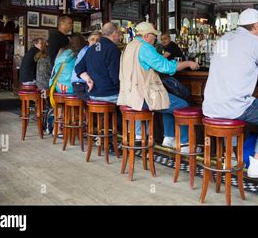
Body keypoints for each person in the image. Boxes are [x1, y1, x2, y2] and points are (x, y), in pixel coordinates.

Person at [203, 9, 258, 178]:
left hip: (211, 105)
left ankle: (230, 156)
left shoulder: (224, 38)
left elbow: (235, 63)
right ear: (255, 25)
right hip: (233, 105)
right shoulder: (255, 42)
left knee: (234, 114)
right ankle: (257, 163)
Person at [117, 22, 199, 151]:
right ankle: (185, 144)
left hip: (129, 96)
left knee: (166, 102)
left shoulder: (129, 46)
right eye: (154, 35)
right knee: (182, 105)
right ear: (146, 36)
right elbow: (166, 67)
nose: (156, 38)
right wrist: (188, 63)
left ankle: (169, 139)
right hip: (143, 97)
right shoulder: (145, 48)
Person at [74, 22, 121, 103]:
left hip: (92, 94)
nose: (119, 36)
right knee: (128, 104)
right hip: (109, 94)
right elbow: (115, 75)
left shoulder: (91, 49)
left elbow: (78, 68)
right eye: (119, 33)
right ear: (114, 33)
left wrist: (88, 79)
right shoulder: (113, 49)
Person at [70, 31, 101, 101]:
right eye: (92, 39)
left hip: (82, 83)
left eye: (98, 40)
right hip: (80, 85)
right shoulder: (87, 51)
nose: (95, 42)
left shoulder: (88, 50)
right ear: (89, 41)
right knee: (97, 99)